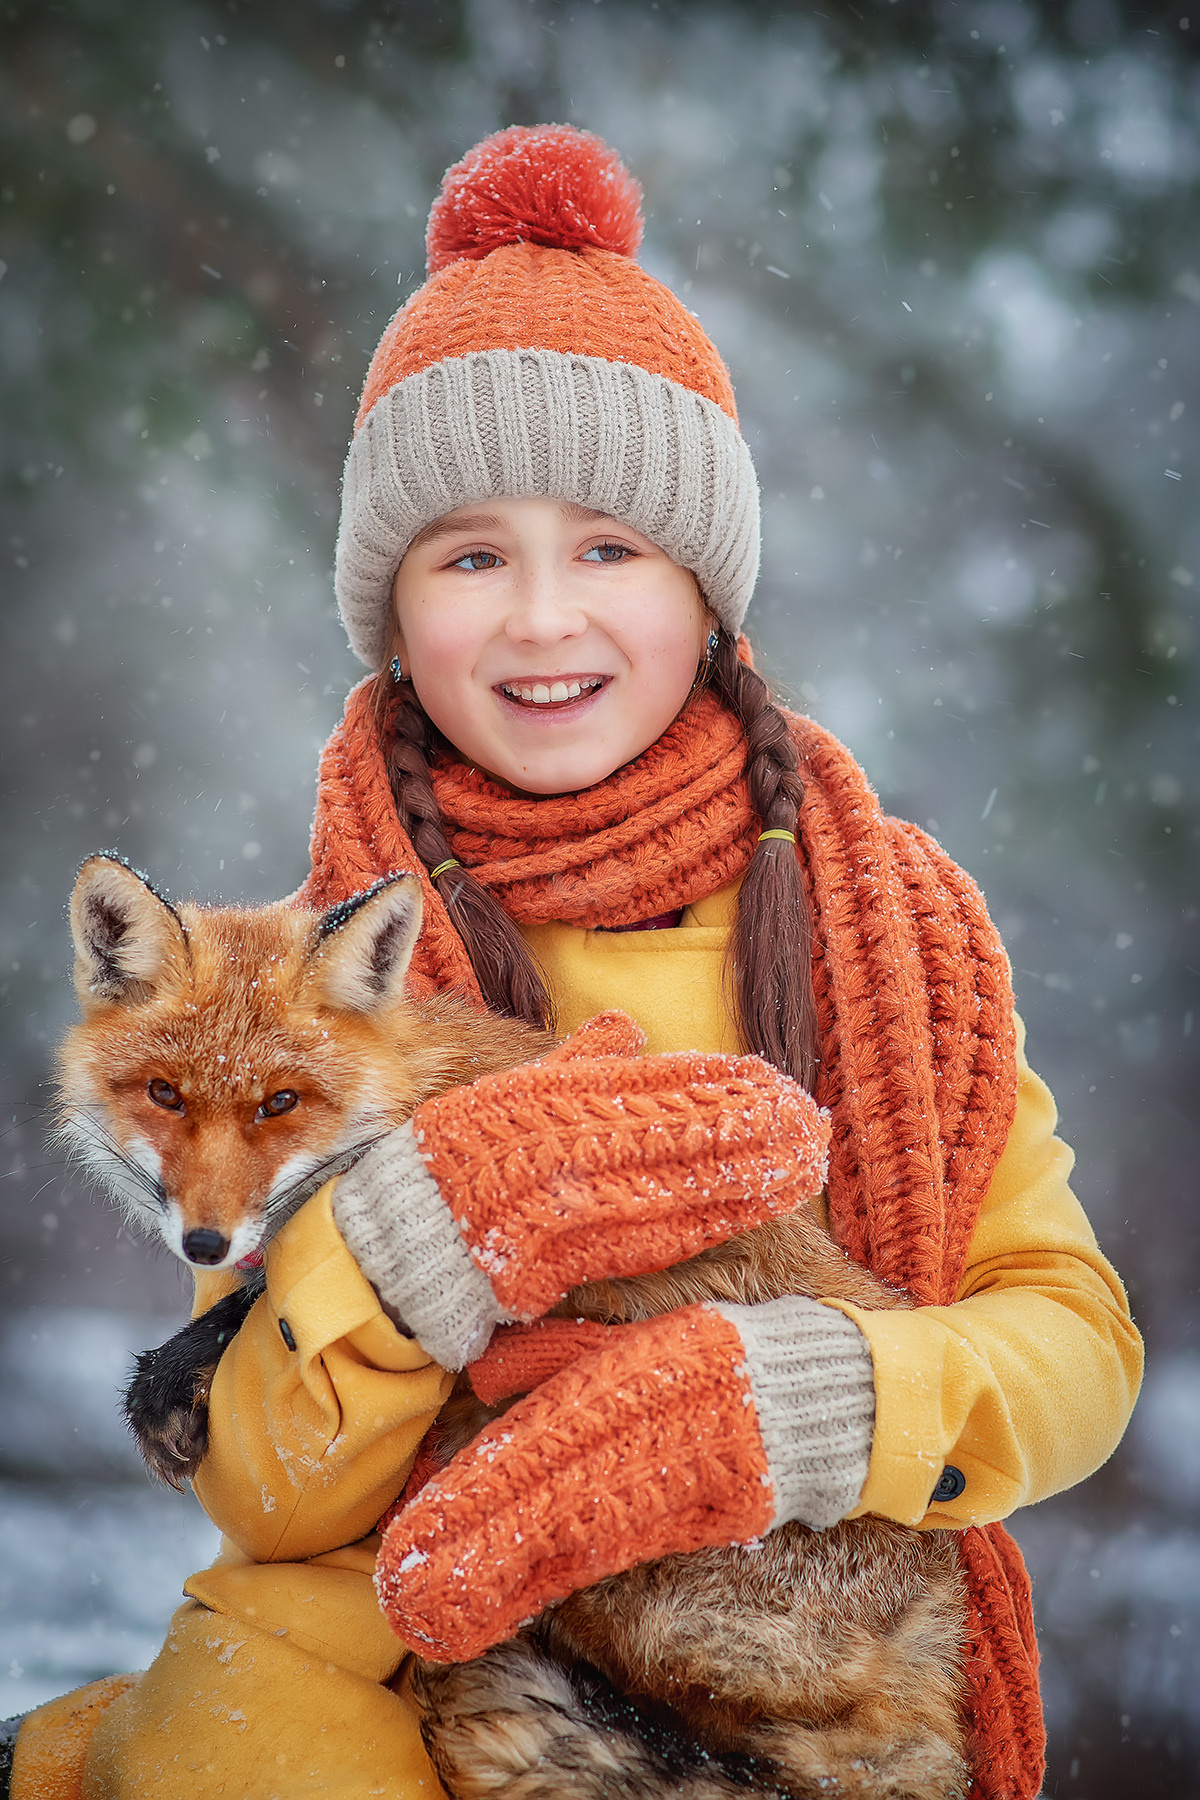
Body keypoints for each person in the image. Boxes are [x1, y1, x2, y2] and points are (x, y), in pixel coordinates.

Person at [5, 123, 1142, 1800]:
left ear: (710, 594)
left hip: (786, 1656)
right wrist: (395, 1268)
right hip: (389, 1635)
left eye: (610, 547)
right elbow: (263, 1489)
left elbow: (1077, 1347)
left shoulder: (882, 934)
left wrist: (804, 1397)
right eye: (471, 555)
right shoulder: (296, 988)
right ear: (394, 607)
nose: (543, 618)